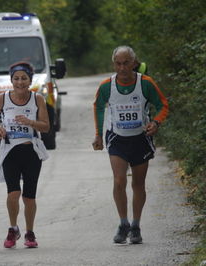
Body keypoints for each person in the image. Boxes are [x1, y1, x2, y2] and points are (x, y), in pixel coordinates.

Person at [92, 46, 168, 244]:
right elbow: (99, 108)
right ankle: (123, 222)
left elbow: (162, 105)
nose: (122, 67)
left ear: (134, 63)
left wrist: (156, 122)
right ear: (114, 64)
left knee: (138, 183)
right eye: (118, 63)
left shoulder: (146, 84)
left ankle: (135, 225)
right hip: (117, 138)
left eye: (126, 63)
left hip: (140, 139)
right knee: (119, 181)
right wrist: (99, 135)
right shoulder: (107, 85)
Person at [0, 61, 50, 248]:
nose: (20, 82)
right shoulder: (3, 98)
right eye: (16, 78)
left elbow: (46, 126)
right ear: (11, 80)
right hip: (10, 152)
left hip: (31, 151)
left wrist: (30, 122)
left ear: (30, 81)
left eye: (24, 79)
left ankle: (30, 233)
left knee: (29, 197)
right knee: (13, 193)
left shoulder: (37, 99)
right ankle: (13, 228)